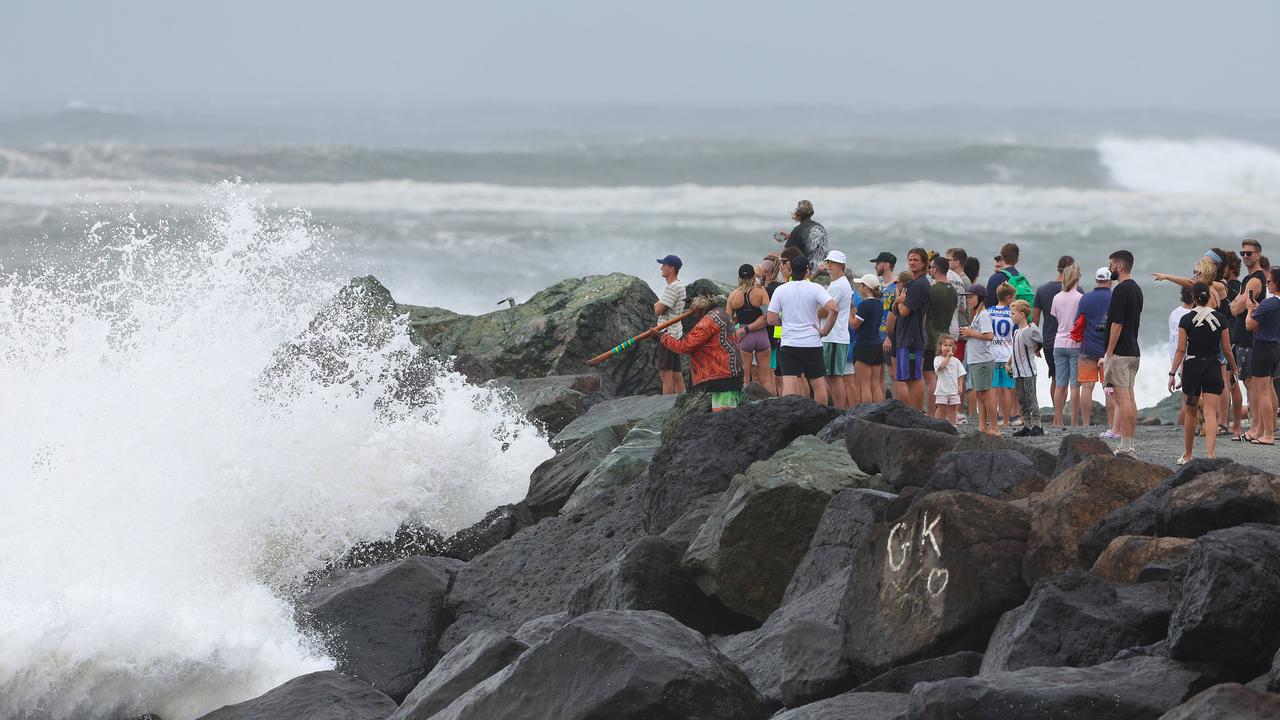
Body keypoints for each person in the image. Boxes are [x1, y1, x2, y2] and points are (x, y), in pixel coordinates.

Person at [1170, 282, 1237, 463]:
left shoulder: (1186, 320)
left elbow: (1180, 350)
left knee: (1191, 412)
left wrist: (1172, 373)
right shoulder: (1220, 318)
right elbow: (1227, 349)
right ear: (1208, 296)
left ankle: (1188, 455)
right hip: (1212, 367)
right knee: (1210, 412)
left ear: (1193, 297)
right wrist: (1234, 368)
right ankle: (1210, 455)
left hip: (1192, 368)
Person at [767, 254, 839, 404]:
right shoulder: (816, 288)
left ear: (791, 269)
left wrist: (784, 322)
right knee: (818, 385)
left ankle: (788, 417)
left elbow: (771, 319)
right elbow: (834, 309)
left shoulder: (781, 290)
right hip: (812, 343)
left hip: (789, 343)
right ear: (807, 270)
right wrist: (824, 331)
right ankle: (821, 419)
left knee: (789, 384)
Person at [659, 295, 745, 412]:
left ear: (701, 305)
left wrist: (661, 337)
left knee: (723, 418)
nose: (691, 310)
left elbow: (684, 346)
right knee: (726, 418)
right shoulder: (720, 313)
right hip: (730, 374)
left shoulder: (708, 321)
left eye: (693, 306)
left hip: (724, 377)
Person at [1105, 250, 1143, 458]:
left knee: (1122, 400)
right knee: (1129, 397)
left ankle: (1126, 445)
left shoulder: (1120, 290)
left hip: (1120, 352)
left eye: (1111, 264)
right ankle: (1129, 443)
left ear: (1120, 266)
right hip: (1133, 350)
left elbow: (1117, 323)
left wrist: (1109, 351)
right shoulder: (1137, 289)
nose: (1109, 268)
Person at [1230, 239, 1266, 441]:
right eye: (1242, 253)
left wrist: (1236, 302)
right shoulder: (1249, 278)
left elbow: (1236, 308)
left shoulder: (1254, 280)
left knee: (1252, 385)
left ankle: (1255, 428)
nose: (1245, 257)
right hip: (1245, 338)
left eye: (1249, 253)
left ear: (1258, 254)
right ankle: (1257, 427)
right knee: (1250, 384)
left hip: (1248, 338)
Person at [894, 248, 933, 411]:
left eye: (915, 260)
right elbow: (897, 310)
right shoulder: (912, 283)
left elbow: (903, 311)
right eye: (910, 259)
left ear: (924, 263)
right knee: (906, 379)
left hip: (912, 337)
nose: (911, 262)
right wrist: (899, 301)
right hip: (905, 336)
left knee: (914, 378)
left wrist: (899, 300)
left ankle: (917, 412)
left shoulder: (920, 284)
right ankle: (912, 410)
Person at [1244, 267, 1280, 445]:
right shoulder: (1274, 304)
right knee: (1268, 388)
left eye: (1269, 282)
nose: (1267, 285)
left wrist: (1250, 309)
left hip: (1263, 348)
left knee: (1262, 392)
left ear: (1277, 284)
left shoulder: (1270, 303)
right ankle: (1264, 430)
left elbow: (1249, 325)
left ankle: (1268, 434)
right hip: (1274, 348)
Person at [728, 263, 775, 395]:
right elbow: (768, 316)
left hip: (744, 339)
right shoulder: (761, 292)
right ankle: (772, 406)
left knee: (745, 379)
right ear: (754, 276)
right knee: (766, 379)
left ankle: (746, 408)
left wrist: (741, 322)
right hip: (762, 337)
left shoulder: (733, 296)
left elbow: (728, 321)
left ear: (739, 277)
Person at [1078, 267, 1114, 432]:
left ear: (1096, 280)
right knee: (1109, 388)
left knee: (1086, 387)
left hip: (1087, 348)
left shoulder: (1086, 298)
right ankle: (1112, 424)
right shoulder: (1114, 297)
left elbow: (1078, 322)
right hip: (1109, 349)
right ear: (1110, 280)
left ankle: (1085, 424)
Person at [959, 284, 998, 435]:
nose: (968, 300)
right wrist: (969, 334)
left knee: (986, 393)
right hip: (975, 359)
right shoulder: (976, 314)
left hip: (983, 360)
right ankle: (982, 426)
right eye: (967, 297)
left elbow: (989, 336)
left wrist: (971, 333)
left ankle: (994, 427)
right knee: (979, 394)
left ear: (981, 298)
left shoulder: (984, 315)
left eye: (971, 297)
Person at [1050, 264, 1085, 427]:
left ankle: (1058, 420)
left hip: (1059, 342)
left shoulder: (1057, 297)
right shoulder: (1080, 298)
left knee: (1060, 384)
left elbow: (1057, 318)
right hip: (1075, 343)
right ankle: (1073, 421)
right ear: (1077, 277)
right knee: (1075, 385)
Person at [1033, 256, 1074, 391]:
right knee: (1071, 379)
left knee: (1056, 378)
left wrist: (1036, 343)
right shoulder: (1078, 292)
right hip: (1072, 342)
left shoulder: (1042, 290)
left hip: (1049, 342)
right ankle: (1068, 410)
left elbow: (1035, 320)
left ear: (1058, 269)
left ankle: (1057, 412)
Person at [925, 256, 959, 415]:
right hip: (946, 336)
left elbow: (925, 314)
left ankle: (932, 414)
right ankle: (943, 412)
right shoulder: (953, 290)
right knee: (943, 378)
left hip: (931, 336)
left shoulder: (933, 290)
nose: (930, 269)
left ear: (936, 269)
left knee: (930, 376)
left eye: (931, 267)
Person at [821, 251, 854, 409]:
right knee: (832, 376)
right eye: (828, 262)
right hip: (835, 335)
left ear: (842, 266)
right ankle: (837, 409)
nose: (829, 266)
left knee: (834, 377)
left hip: (834, 336)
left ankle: (838, 410)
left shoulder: (839, 285)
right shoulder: (837, 284)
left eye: (832, 263)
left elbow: (823, 310)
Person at [1009, 299, 1044, 436]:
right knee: (1022, 399)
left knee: (1031, 399)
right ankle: (1028, 425)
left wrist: (1037, 348)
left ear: (1022, 314)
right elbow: (1014, 350)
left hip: (1028, 372)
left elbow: (1039, 339)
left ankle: (1037, 425)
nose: (1011, 316)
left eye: (1013, 313)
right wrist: (1008, 363)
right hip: (1018, 371)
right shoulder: (1016, 332)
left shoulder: (1029, 330)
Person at [654, 254, 687, 395]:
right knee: (676, 373)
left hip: (667, 334)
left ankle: (666, 406)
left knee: (665, 374)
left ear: (672, 269)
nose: (661, 267)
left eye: (664, 265)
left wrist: (657, 304)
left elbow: (658, 310)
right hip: (675, 333)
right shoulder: (677, 286)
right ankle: (682, 400)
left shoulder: (673, 287)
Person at [850, 273, 885, 404]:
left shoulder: (865, 305)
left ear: (867, 288)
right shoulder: (878, 304)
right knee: (875, 383)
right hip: (876, 344)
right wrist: (853, 308)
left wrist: (848, 313)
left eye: (861, 286)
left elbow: (854, 325)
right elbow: (863, 317)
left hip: (864, 345)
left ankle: (866, 414)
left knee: (864, 384)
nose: (859, 288)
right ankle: (879, 411)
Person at [988, 282, 1018, 428]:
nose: (1014, 301)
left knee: (993, 388)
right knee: (1007, 389)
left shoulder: (988, 312)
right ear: (1007, 298)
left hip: (991, 355)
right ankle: (1006, 421)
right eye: (1013, 298)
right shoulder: (1012, 315)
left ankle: (995, 419)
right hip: (1008, 357)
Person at [872, 251, 898, 397]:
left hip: (890, 336)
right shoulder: (878, 286)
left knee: (894, 374)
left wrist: (890, 336)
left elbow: (897, 314)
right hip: (876, 336)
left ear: (886, 265)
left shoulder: (896, 287)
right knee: (878, 375)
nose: (876, 266)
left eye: (878, 263)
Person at [780, 200, 828, 275]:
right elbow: (811, 241)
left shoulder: (798, 230)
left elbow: (784, 255)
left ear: (798, 213)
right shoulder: (820, 227)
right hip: (824, 270)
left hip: (808, 274)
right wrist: (790, 237)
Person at [987, 242, 1033, 308]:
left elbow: (989, 306)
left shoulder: (995, 279)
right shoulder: (1022, 279)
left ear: (1002, 258)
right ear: (1017, 260)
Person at [933, 335, 966, 424]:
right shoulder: (937, 359)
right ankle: (937, 425)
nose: (947, 347)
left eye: (950, 345)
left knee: (953, 409)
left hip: (953, 390)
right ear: (940, 347)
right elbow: (942, 366)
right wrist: (948, 357)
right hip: (942, 390)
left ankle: (952, 426)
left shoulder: (956, 361)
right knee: (941, 409)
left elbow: (961, 374)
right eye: (945, 345)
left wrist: (960, 385)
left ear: (953, 347)